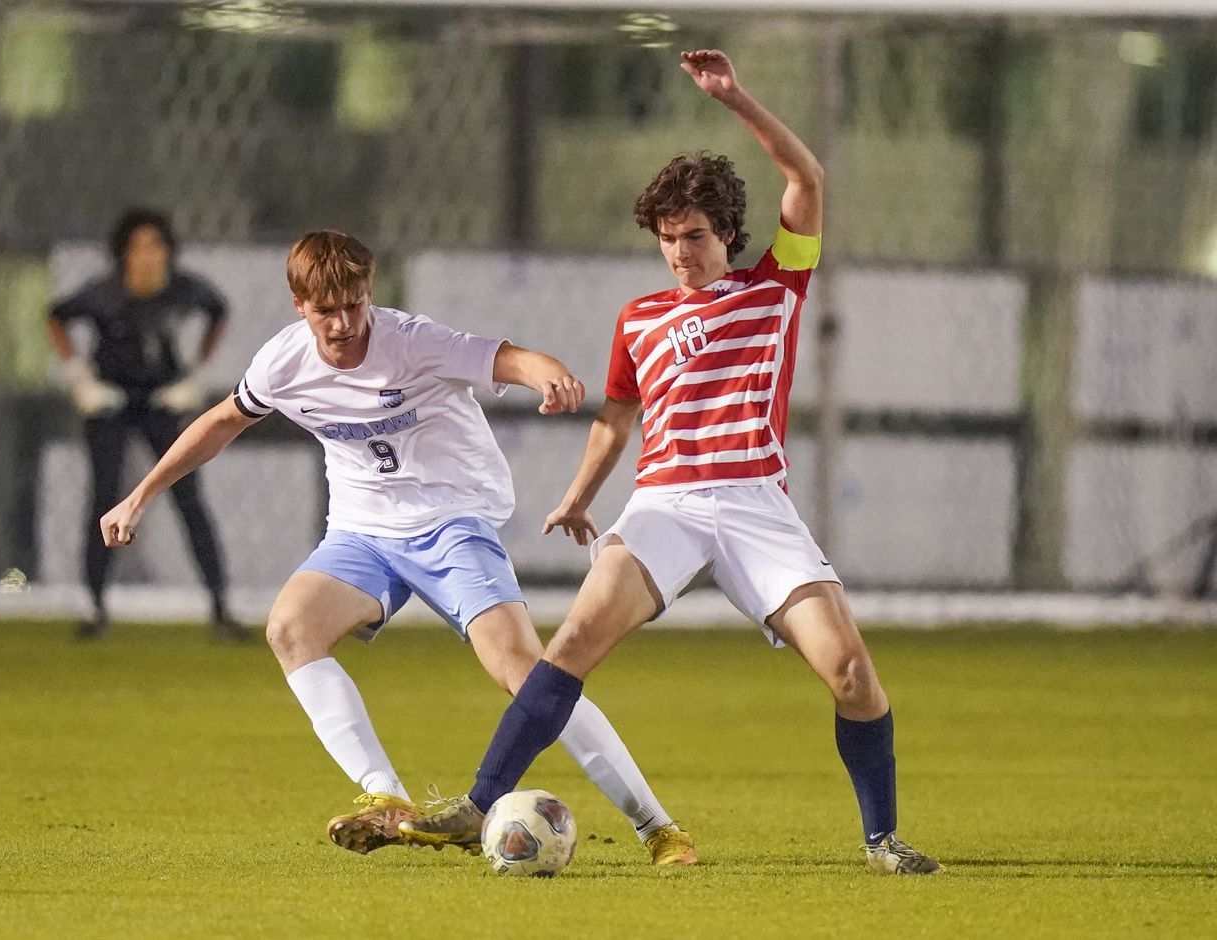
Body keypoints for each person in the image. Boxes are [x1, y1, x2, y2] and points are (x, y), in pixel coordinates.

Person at [401, 50, 941, 876]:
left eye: (693, 235)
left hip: (756, 503)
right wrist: (580, 496)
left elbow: (808, 177)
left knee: (851, 672)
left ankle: (882, 840)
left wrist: (736, 98)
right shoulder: (640, 319)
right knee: (574, 637)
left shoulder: (776, 287)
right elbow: (618, 418)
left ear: (727, 232)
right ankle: (475, 805)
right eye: (666, 239)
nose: (680, 253)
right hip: (667, 503)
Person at [98, 230, 697, 866]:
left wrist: (549, 375)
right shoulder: (282, 363)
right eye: (327, 309)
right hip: (361, 532)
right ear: (299, 305)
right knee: (291, 628)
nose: (344, 322)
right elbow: (222, 422)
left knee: (526, 672)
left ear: (369, 294)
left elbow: (506, 358)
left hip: (452, 523)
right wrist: (140, 495)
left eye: (355, 304)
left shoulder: (411, 341)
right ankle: (386, 797)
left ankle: (656, 826)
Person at [46, 208, 243, 641]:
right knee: (104, 496)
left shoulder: (183, 289)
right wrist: (81, 378)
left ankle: (220, 607)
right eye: (138, 247)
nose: (148, 256)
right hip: (112, 400)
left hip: (162, 399)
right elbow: (55, 316)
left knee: (189, 497)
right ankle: (94, 607)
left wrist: (197, 374)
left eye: (156, 246)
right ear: (123, 254)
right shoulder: (104, 293)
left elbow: (218, 311)